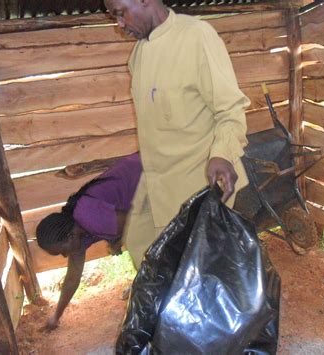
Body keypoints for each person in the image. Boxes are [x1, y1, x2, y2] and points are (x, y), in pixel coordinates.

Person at [104, 0, 251, 268]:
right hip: (155, 184)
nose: (120, 25)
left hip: (197, 188)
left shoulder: (196, 36)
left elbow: (230, 108)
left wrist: (223, 155)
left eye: (120, 13)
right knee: (142, 253)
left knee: (194, 277)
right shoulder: (137, 55)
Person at [35, 152, 142, 329]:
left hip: (151, 169)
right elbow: (72, 279)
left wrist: (117, 240)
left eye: (61, 250)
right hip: (142, 177)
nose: (64, 255)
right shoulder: (78, 231)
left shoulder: (88, 216)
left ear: (69, 236)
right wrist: (56, 317)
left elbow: (136, 222)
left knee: (146, 242)